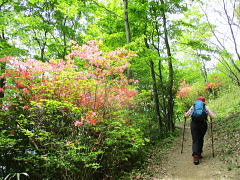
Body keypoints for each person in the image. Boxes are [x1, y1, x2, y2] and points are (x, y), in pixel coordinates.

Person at [184, 96, 215, 165]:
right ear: (204, 101)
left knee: (195, 139)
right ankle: (199, 154)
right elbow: (213, 116)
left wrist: (185, 114)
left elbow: (186, 115)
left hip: (194, 124)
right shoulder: (205, 107)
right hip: (203, 125)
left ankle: (195, 155)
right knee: (201, 139)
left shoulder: (193, 106)